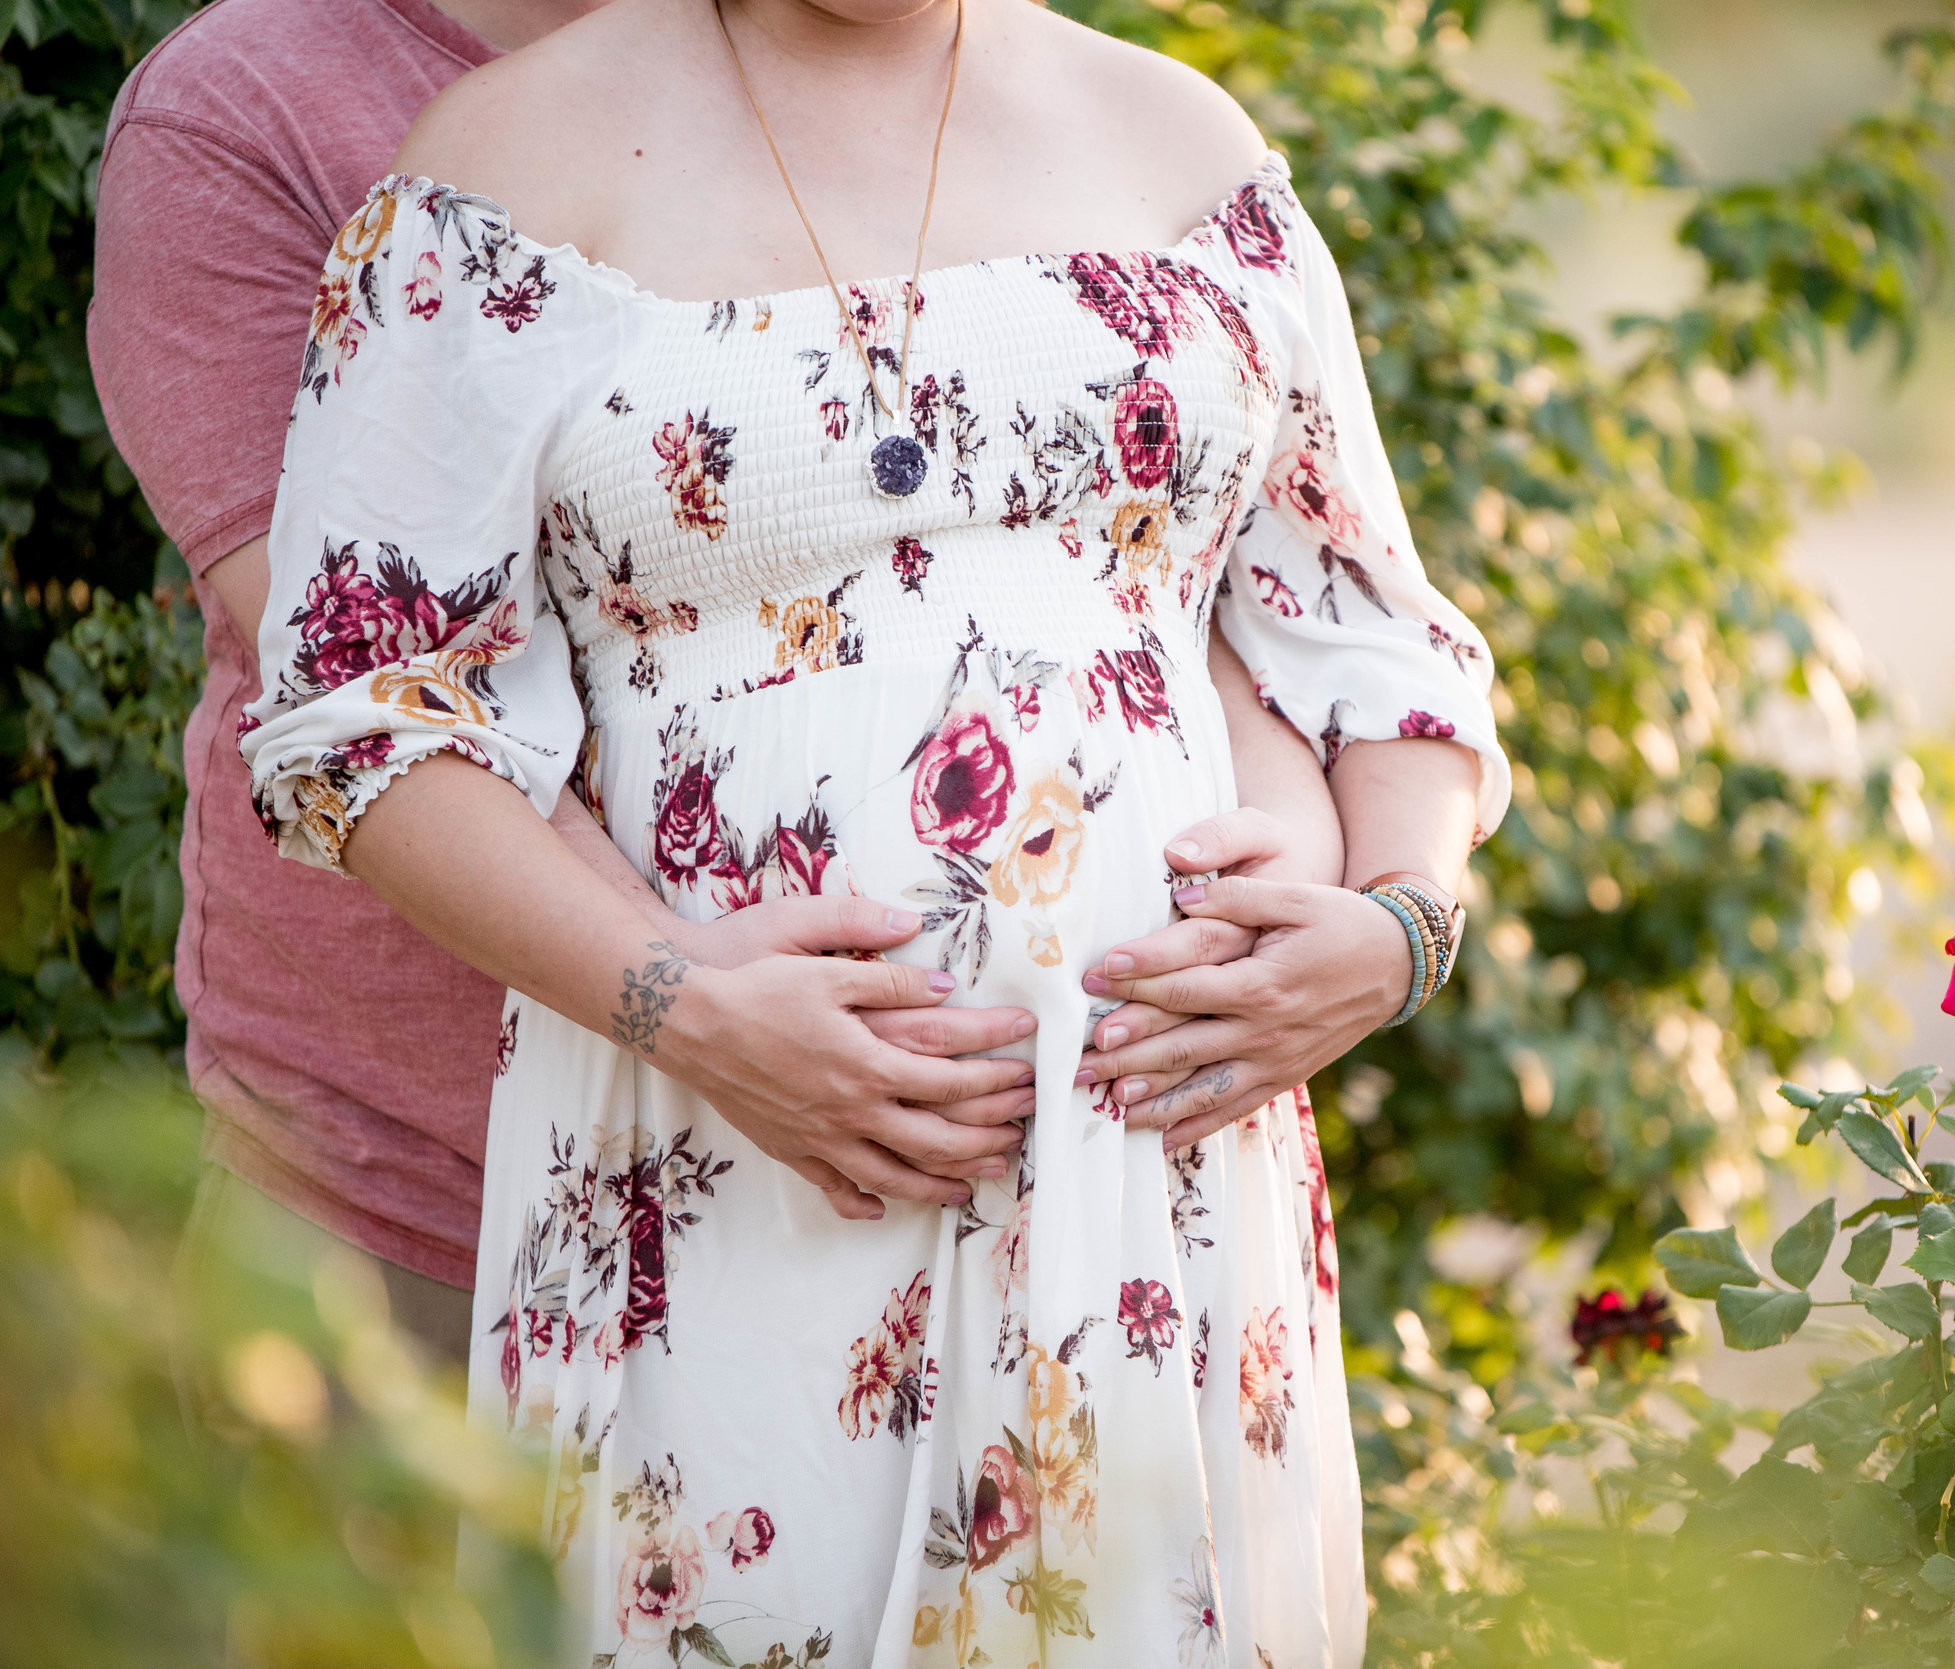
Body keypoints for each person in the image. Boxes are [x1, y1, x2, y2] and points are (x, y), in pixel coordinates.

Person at [238, 0, 1508, 1658]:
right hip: (724, 1154)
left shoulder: (1184, 150)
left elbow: (1373, 642)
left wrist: (1398, 922)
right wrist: (681, 1004)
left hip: (1149, 1179)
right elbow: (363, 718)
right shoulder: (500, 178)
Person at [86, 0, 1349, 1369]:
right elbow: (364, 688)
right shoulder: (270, 113)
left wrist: (1349, 914)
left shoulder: (977, 91)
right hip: (423, 1193)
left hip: (1069, 1213)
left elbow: (1207, 605)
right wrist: (692, 1013)